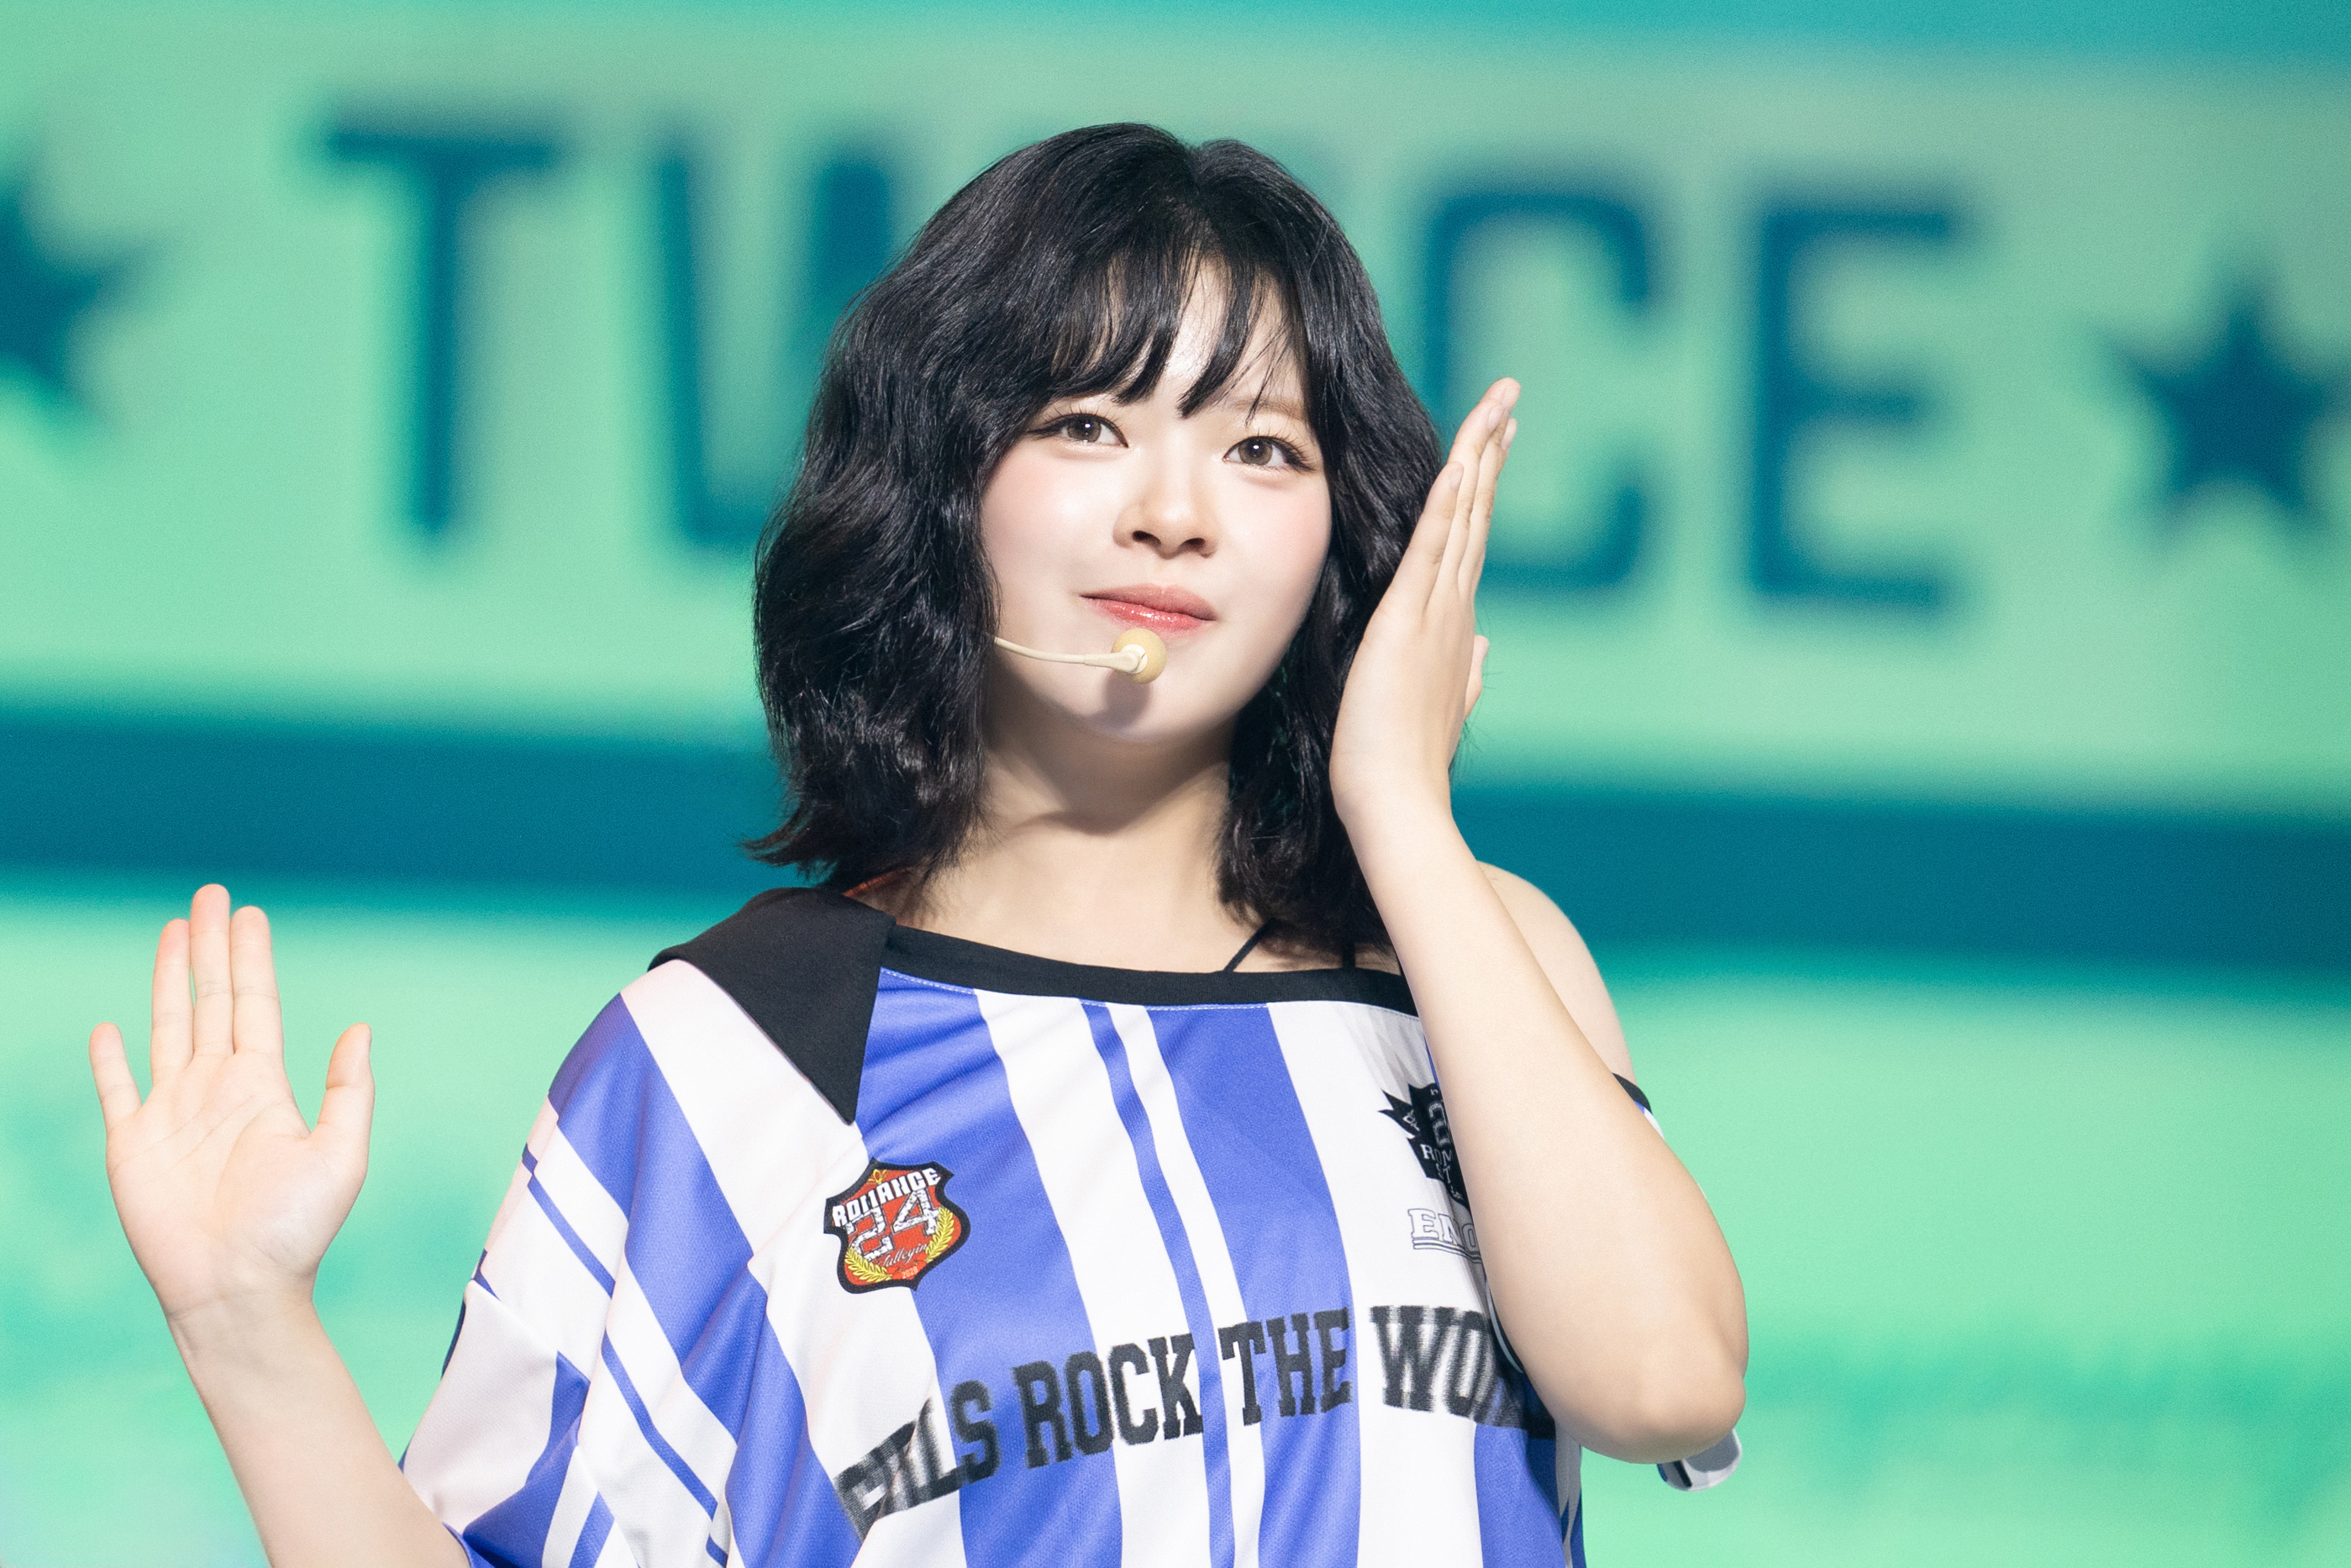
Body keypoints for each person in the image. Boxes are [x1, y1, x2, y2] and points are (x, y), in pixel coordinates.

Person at [87, 124, 1745, 1567]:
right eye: (1088, 425)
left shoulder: (1470, 953)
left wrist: (1397, 806)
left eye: (1261, 447)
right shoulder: (735, 1057)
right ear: (943, 481)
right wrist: (245, 1324)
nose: (1174, 512)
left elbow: (1661, 1380)